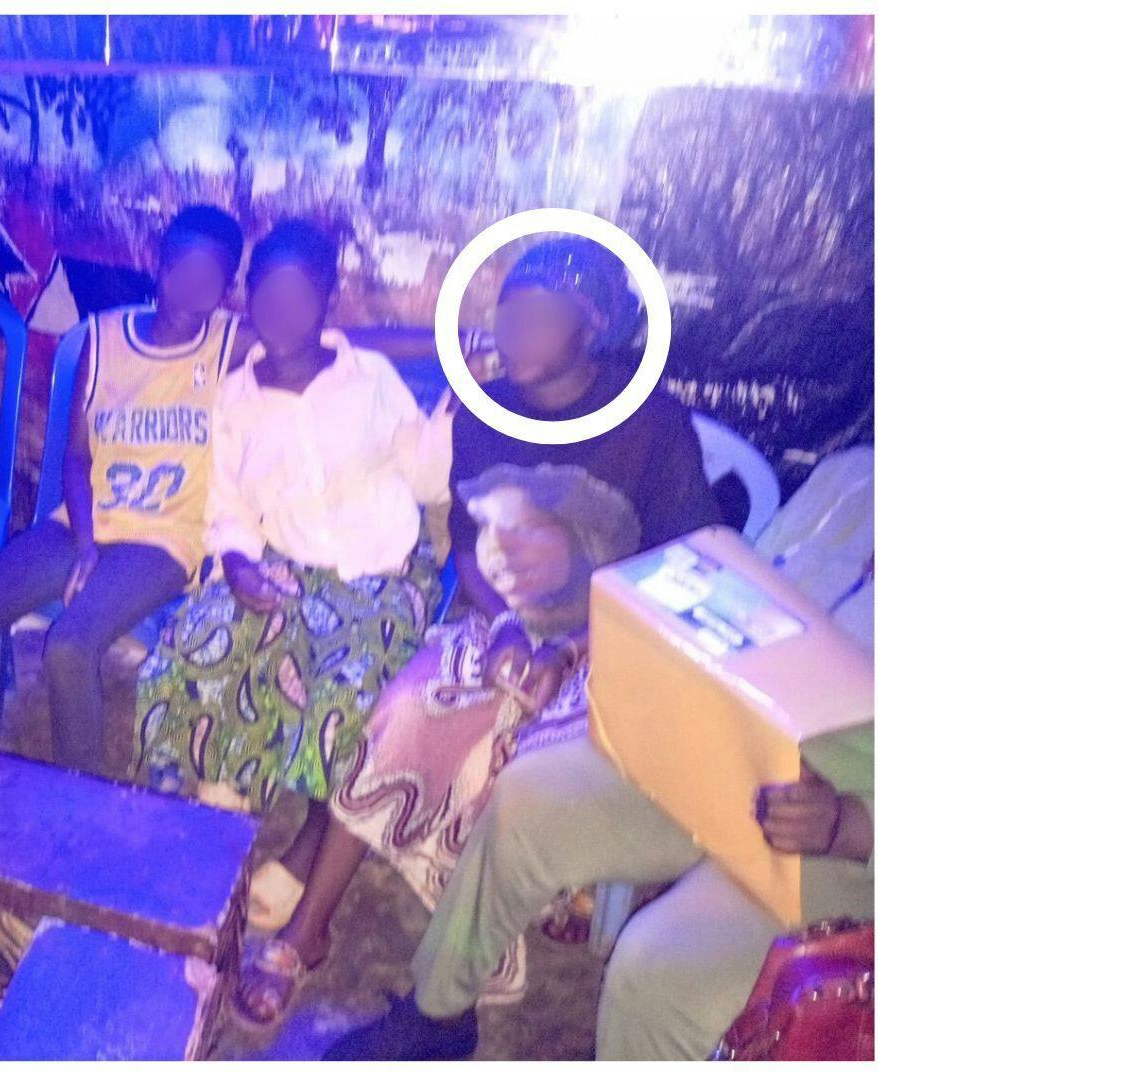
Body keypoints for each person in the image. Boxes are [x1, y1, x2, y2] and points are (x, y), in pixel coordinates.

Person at [228, 234, 723, 1020]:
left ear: (591, 327)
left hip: (615, 639)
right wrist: (504, 631)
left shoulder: (653, 427)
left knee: (531, 761)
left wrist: (571, 650)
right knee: (401, 712)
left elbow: (685, 566)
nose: (514, 334)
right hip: (497, 620)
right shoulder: (487, 411)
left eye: (539, 318)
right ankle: (306, 930)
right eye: (508, 315)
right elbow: (465, 542)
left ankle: (477, 945)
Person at [324, 447, 875, 1061]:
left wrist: (848, 824)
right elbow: (740, 598)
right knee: (528, 798)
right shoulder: (852, 476)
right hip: (727, 749)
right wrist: (596, 646)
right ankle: (438, 1014)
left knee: (655, 969)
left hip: (845, 842)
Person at [135, 218, 452, 829]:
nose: (282, 312)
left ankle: (309, 823)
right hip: (281, 563)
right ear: (248, 296)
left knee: (344, 686)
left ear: (328, 300)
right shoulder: (234, 398)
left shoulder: (371, 377)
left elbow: (425, 481)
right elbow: (226, 506)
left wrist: (448, 419)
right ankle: (217, 788)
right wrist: (237, 566)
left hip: (379, 569)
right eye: (269, 295)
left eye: (300, 296)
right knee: (200, 643)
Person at [0, 206, 245, 774]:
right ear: (161, 265)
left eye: (211, 276)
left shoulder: (230, 343)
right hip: (84, 523)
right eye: (184, 267)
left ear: (226, 288)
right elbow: (76, 457)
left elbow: (320, 337)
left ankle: (78, 798)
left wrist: (433, 344)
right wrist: (83, 544)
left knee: (70, 646)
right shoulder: (104, 339)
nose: (194, 284)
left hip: (166, 539)